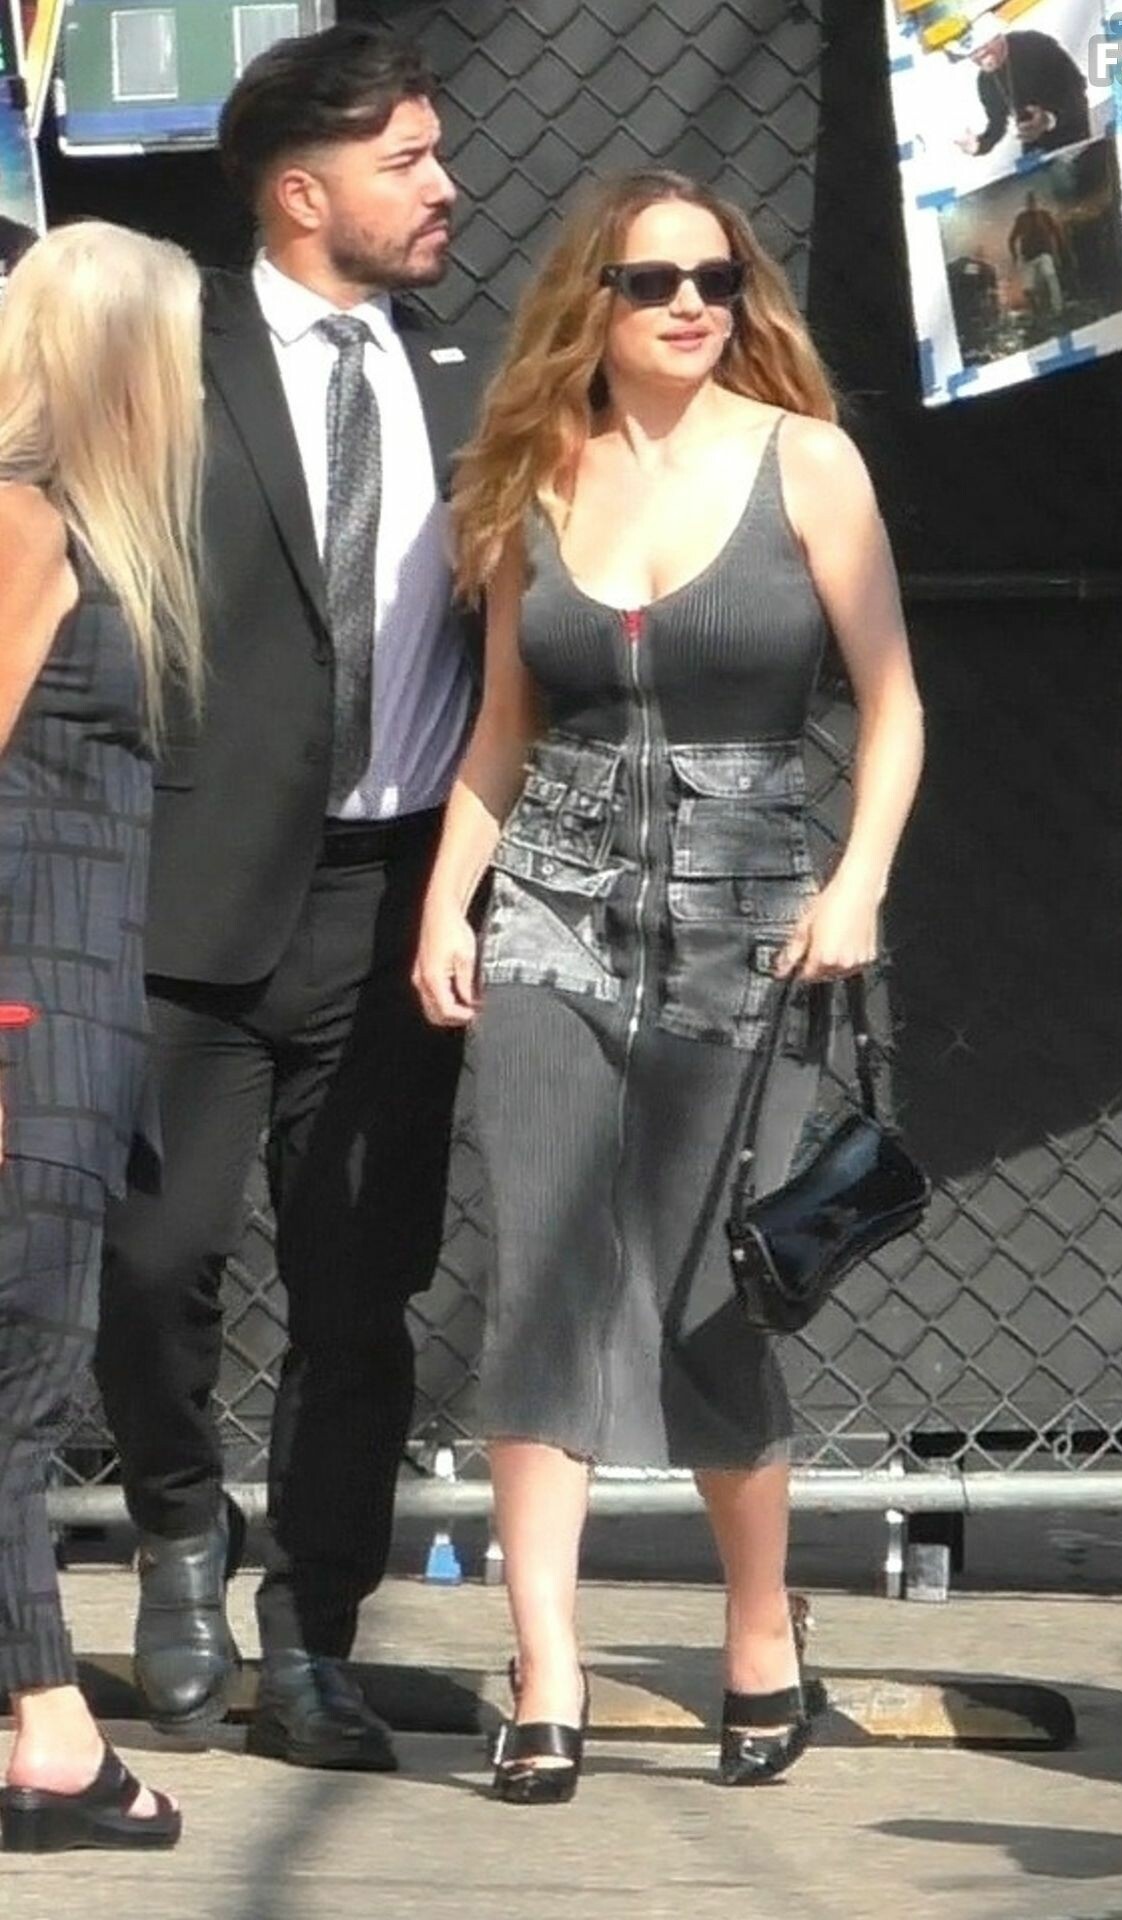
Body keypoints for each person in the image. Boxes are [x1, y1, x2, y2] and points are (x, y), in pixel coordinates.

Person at [415, 169, 924, 1803]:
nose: (694, 303)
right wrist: (448, 901)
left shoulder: (806, 462)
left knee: (714, 1296)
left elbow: (893, 700)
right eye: (655, 282)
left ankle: (760, 1630)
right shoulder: (534, 474)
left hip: (749, 922)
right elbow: (502, 726)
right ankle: (546, 1669)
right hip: (553, 909)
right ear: (596, 302)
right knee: (540, 1282)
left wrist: (858, 878)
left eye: (716, 277)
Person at [92, 23, 493, 1771]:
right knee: (149, 1257)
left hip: (396, 904)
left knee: (358, 1290)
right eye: (407, 160)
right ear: (300, 190)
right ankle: (179, 1528)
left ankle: (313, 1628)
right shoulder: (168, 351)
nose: (445, 186)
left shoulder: (469, 371)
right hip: (183, 894)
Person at [0, 221, 203, 1851]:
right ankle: (52, 1732)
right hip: (23, 1015)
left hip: (69, 1010)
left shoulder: (75, 530)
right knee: (15, 1388)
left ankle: (39, 1729)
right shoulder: (21, 522)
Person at [955, 17, 1090, 160]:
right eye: (973, 54)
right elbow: (997, 124)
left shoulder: (1035, 44)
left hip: (1075, 136)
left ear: (998, 37)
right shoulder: (985, 80)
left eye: (984, 48)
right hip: (1035, 151)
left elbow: (1077, 86)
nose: (980, 57)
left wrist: (1048, 119)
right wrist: (979, 145)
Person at [1008, 190, 1065, 327]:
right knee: (1028, 288)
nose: (1032, 204)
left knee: (1050, 276)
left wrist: (1059, 252)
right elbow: (1012, 239)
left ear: (1037, 202)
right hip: (1028, 258)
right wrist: (1015, 256)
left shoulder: (1044, 215)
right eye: (1029, 202)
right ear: (1027, 203)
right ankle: (1037, 312)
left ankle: (1057, 308)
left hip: (1044, 253)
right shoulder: (1022, 218)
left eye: (1033, 201)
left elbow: (1057, 232)